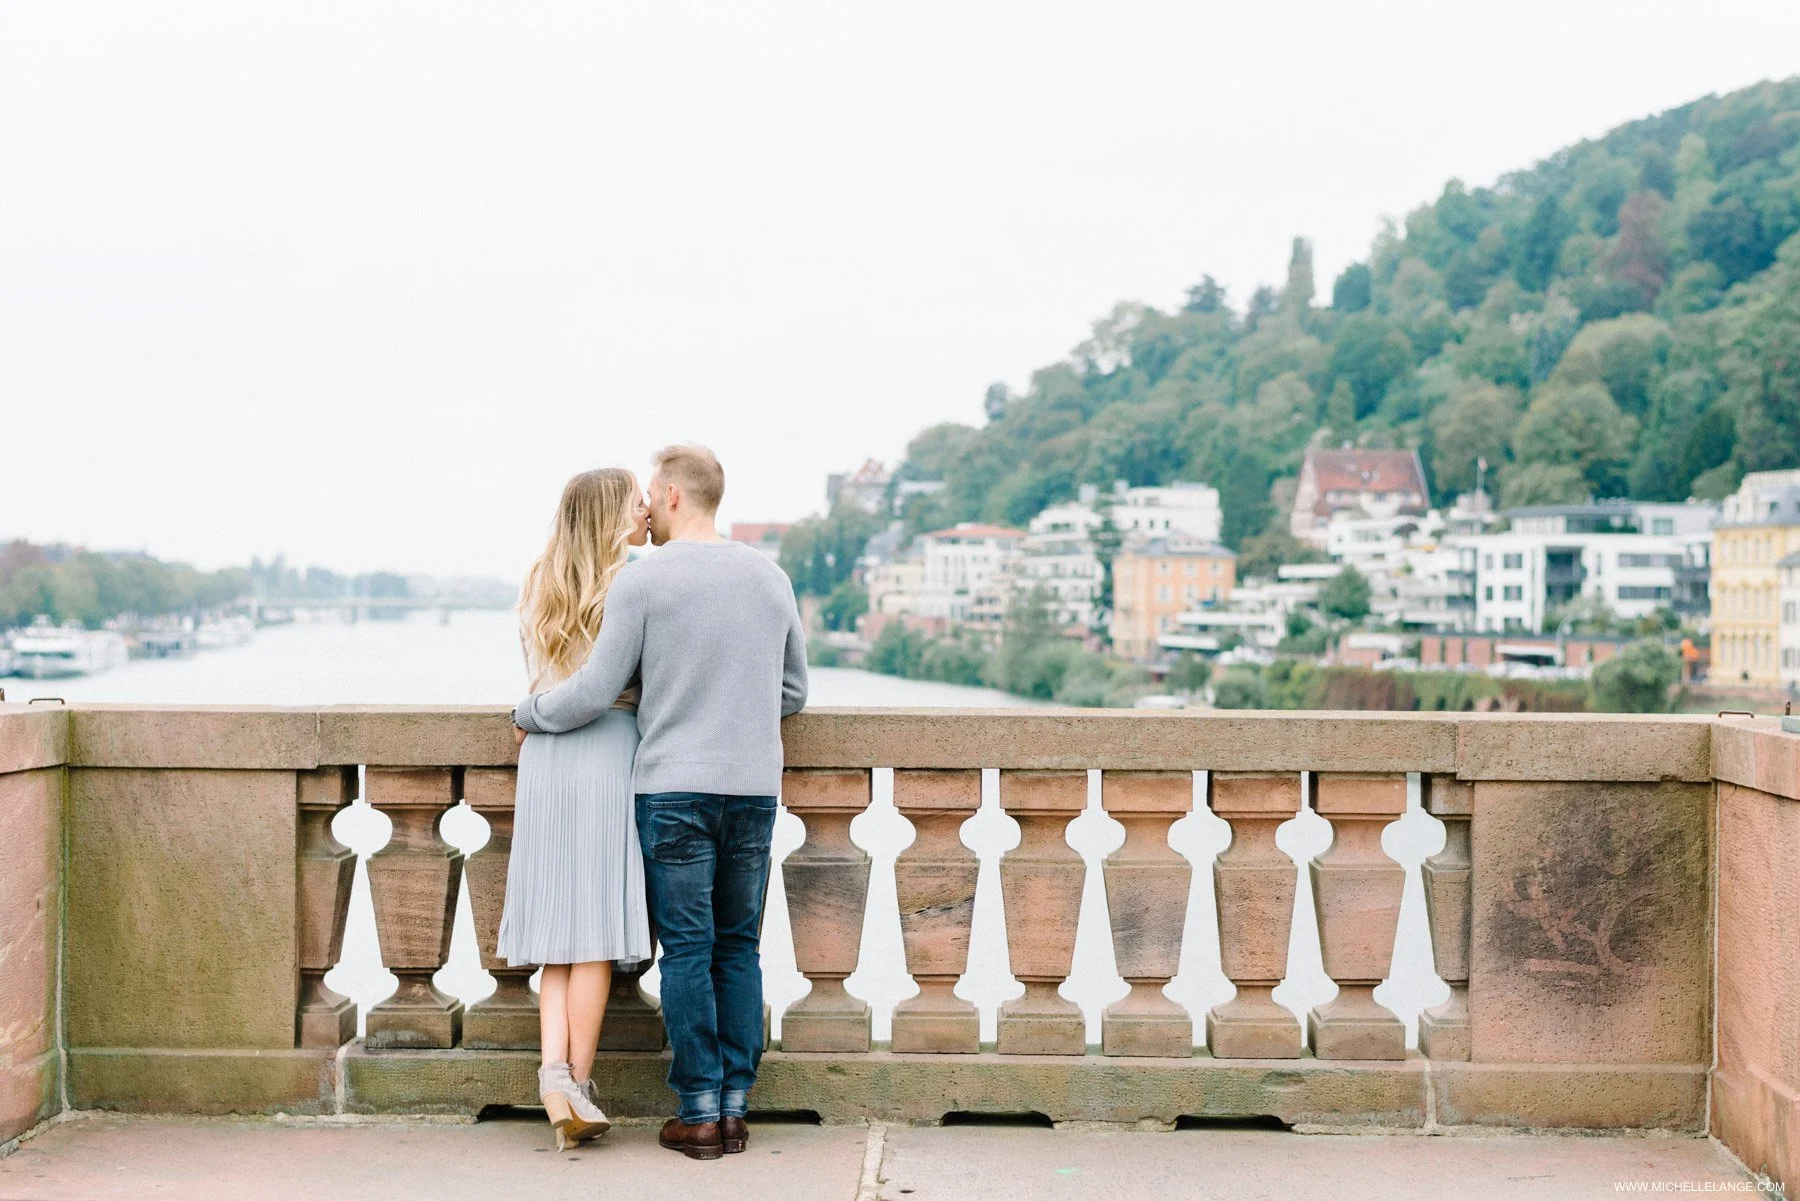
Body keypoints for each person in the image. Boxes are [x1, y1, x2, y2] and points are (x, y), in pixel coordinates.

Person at [513, 443, 807, 1162]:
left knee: (687, 948)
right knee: (739, 946)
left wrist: (528, 713)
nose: (645, 508)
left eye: (651, 495)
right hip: (752, 787)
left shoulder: (644, 583)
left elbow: (592, 689)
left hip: (673, 786)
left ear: (674, 495)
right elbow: (794, 694)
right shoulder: (771, 578)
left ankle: (698, 1110)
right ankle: (736, 1108)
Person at [497, 467, 654, 1151]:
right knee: (590, 933)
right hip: (602, 751)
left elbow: (546, 674)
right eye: (638, 502)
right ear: (615, 515)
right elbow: (604, 687)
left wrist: (531, 712)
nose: (648, 510)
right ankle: (575, 1087)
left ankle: (554, 1075)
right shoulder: (631, 582)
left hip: (546, 761)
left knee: (560, 939)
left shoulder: (540, 578)